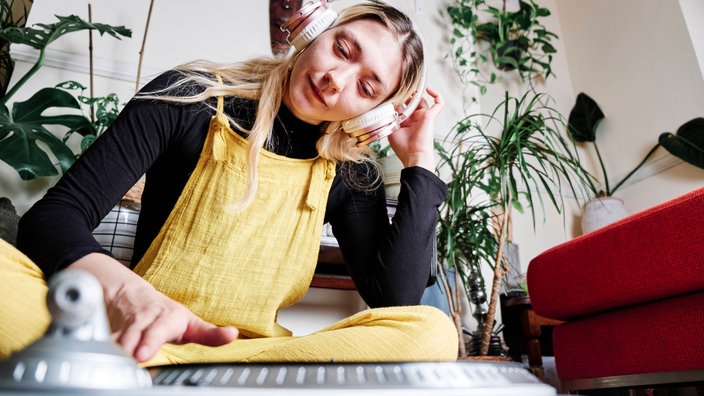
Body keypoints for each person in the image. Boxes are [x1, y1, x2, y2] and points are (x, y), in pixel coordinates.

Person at [0, 0, 458, 365]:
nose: (335, 80)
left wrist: (419, 158)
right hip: (135, 340)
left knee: (432, 331)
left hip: (248, 357)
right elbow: (54, 217)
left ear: (373, 114)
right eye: (342, 49)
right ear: (313, 30)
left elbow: (395, 298)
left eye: (367, 88)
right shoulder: (189, 96)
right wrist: (127, 295)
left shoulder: (351, 172)